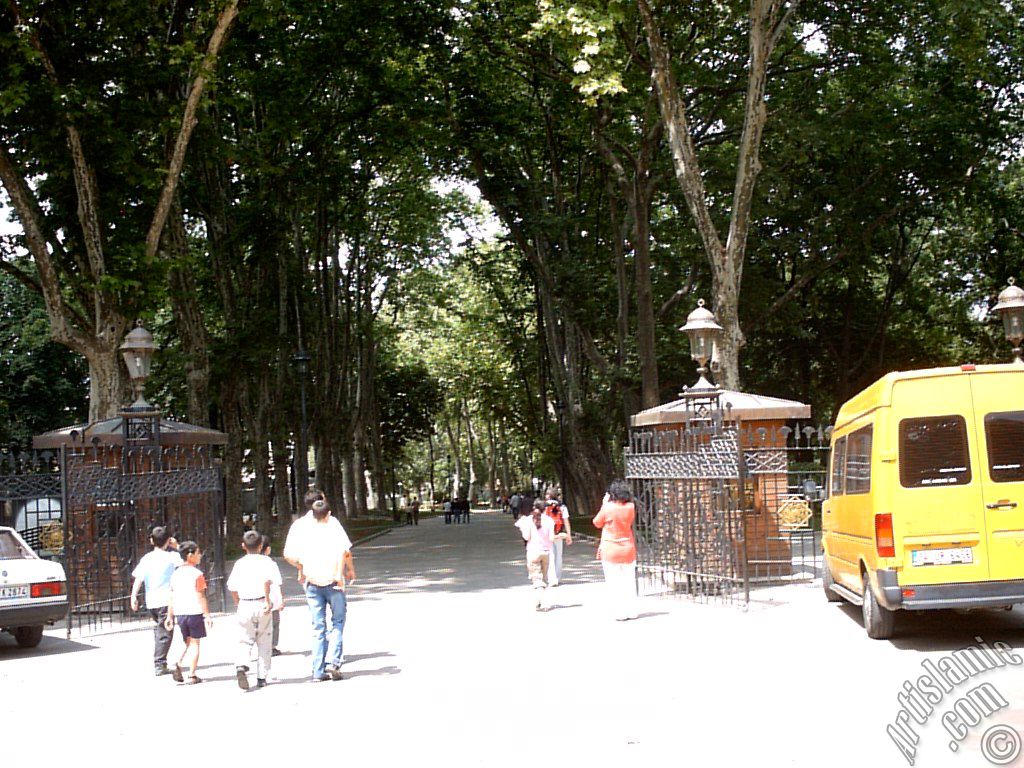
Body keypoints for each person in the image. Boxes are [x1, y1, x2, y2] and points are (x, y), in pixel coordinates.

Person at [283, 491, 356, 683]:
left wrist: (302, 567)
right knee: (338, 622)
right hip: (334, 581)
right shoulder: (333, 524)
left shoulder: (299, 526)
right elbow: (345, 551)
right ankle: (333, 662)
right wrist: (348, 570)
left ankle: (317, 670)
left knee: (318, 626)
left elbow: (288, 555)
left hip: (312, 582)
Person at [227, 530, 281, 690]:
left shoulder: (239, 564)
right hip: (262, 602)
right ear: (260, 545)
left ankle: (241, 664)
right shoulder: (268, 562)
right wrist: (270, 601)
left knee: (245, 638)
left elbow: (232, 586)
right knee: (264, 639)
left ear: (243, 546)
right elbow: (272, 582)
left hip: (245, 603)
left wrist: (238, 602)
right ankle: (262, 676)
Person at [129, 525, 182, 676]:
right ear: (168, 541)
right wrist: (177, 546)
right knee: (166, 631)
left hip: (151, 600)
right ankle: (160, 663)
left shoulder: (147, 558)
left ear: (151, 540)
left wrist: (133, 596)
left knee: (159, 629)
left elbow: (139, 578)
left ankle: (160, 660)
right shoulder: (172, 557)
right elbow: (187, 560)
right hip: (166, 600)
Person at [165, 540, 212, 684]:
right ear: (190, 555)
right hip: (194, 612)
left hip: (180, 613)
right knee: (195, 643)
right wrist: (207, 614)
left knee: (187, 641)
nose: (200, 556)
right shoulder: (197, 574)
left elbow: (171, 595)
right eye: (198, 553)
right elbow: (201, 595)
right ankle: (192, 674)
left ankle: (177, 663)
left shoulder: (175, 574)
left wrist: (169, 616)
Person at [593, 480, 639, 621]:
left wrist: (604, 504)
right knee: (629, 582)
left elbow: (596, 522)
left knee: (614, 583)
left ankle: (620, 613)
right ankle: (632, 611)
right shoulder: (631, 507)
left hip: (611, 549)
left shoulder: (608, 508)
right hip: (628, 549)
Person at [515, 499, 560, 611]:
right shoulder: (549, 520)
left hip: (533, 552)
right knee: (543, 579)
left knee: (536, 579)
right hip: (546, 552)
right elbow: (551, 538)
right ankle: (539, 601)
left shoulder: (528, 520)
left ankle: (542, 602)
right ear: (545, 509)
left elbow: (526, 537)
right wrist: (562, 536)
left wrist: (522, 528)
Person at [260, 534, 284, 657]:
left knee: (259, 625)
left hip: (253, 600)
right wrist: (280, 600)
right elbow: (277, 583)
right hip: (272, 599)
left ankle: (260, 646)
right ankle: (272, 646)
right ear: (268, 549)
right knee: (274, 624)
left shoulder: (246, 563)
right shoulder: (271, 564)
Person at [544, 489, 572, 587]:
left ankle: (552, 579)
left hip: (547, 534)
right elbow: (566, 521)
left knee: (550, 556)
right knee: (558, 556)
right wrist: (568, 535)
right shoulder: (562, 506)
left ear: (548, 495)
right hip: (559, 534)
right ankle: (557, 577)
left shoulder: (544, 506)